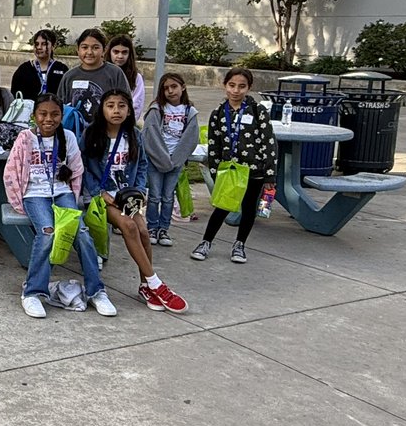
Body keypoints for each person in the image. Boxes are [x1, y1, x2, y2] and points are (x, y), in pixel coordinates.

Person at [4, 94, 114, 317]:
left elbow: (77, 170)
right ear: (34, 116)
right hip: (35, 195)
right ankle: (33, 292)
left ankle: (96, 291)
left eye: (54, 114)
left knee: (82, 233)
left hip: (62, 193)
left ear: (61, 116)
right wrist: (18, 200)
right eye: (43, 114)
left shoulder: (69, 137)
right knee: (47, 232)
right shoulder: (25, 138)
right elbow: (12, 171)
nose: (48, 119)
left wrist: (73, 199)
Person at [82, 89, 188, 313]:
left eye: (121, 106)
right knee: (129, 226)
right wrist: (99, 193)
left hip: (127, 195)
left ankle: (145, 285)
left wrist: (138, 191)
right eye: (110, 105)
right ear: (102, 109)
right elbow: (82, 169)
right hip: (103, 197)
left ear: (129, 110)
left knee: (142, 229)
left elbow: (142, 166)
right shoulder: (91, 134)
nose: (116, 110)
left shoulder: (134, 134)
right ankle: (157, 284)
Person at [191, 67, 277, 264]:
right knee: (222, 206)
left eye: (241, 86)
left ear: (249, 88)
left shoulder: (258, 111)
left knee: (249, 208)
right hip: (230, 171)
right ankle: (206, 242)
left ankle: (240, 244)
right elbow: (214, 146)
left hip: (254, 171)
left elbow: (269, 143)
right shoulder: (218, 114)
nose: (236, 91)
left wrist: (269, 175)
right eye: (232, 85)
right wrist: (215, 172)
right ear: (224, 86)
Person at [142, 73, 199, 248]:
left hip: (176, 161)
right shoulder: (157, 109)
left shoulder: (190, 111)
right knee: (154, 196)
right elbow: (149, 135)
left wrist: (176, 160)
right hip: (156, 160)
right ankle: (152, 227)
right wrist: (162, 158)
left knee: (168, 197)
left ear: (183, 87)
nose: (170, 91)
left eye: (174, 86)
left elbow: (191, 138)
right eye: (165, 88)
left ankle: (163, 229)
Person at [56, 28, 131, 128]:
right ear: (78, 50)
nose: (89, 52)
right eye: (84, 47)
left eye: (95, 47)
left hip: (106, 133)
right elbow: (60, 107)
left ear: (104, 50)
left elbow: (126, 103)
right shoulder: (69, 76)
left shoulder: (115, 73)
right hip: (75, 134)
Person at [10, 29, 69, 100]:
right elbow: (15, 95)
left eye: (44, 44)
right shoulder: (24, 69)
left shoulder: (62, 69)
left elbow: (66, 95)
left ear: (53, 46)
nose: (39, 47)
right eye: (37, 44)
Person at [107, 34, 145, 118]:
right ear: (109, 52)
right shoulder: (102, 73)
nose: (120, 56)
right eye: (116, 52)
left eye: (124, 52)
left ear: (129, 54)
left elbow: (137, 104)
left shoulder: (136, 77)